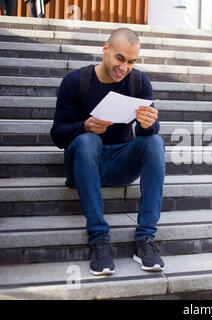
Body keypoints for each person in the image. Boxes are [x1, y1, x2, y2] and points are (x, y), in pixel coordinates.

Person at [50, 28, 166, 276]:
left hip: (119, 164)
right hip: (82, 165)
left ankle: (145, 239)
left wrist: (149, 124)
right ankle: (99, 239)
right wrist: (84, 126)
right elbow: (57, 135)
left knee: (155, 142)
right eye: (120, 58)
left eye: (131, 62)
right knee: (88, 140)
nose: (124, 67)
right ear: (106, 49)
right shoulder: (75, 81)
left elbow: (149, 132)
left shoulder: (138, 82)